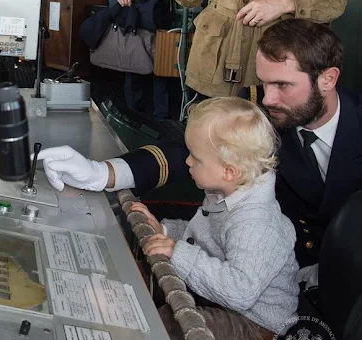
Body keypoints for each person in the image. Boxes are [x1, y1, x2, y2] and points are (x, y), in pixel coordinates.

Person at [35, 19, 362, 289]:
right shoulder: (272, 118)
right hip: (269, 272)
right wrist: (101, 172)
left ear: (328, 79)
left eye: (283, 86)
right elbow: (185, 152)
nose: (268, 99)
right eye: (264, 84)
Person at [132, 96, 299, 340]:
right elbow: (206, 239)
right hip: (223, 294)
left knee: (174, 323)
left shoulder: (257, 223)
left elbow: (239, 292)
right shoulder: (227, 192)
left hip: (255, 323)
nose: (187, 161)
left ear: (229, 171)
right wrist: (164, 232)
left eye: (195, 158)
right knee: (143, 274)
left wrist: (176, 253)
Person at [172, 0, 346, 98]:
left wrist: (286, 5)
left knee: (268, 139)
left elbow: (335, 3)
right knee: (208, 135)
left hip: (277, 54)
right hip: (214, 60)